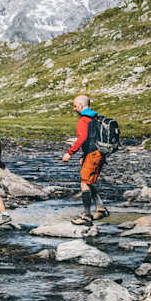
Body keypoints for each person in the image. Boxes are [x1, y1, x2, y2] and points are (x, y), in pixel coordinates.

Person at [62, 95, 108, 225]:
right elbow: (92, 138)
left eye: (75, 106)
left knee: (84, 183)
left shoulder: (83, 120)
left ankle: (87, 216)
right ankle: (101, 208)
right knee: (89, 180)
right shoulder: (96, 117)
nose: (74, 109)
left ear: (81, 106)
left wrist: (69, 153)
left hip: (93, 154)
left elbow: (83, 138)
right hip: (98, 153)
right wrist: (84, 155)